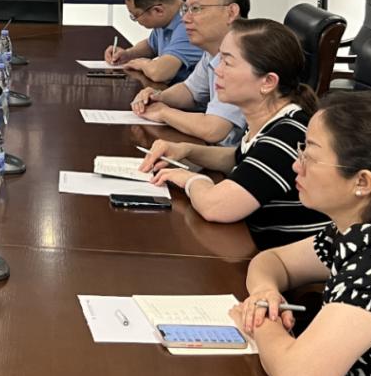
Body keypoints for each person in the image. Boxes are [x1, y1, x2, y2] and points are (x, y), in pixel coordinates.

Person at [230, 91, 371, 376]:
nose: (296, 165)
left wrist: (261, 321)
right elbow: (273, 261)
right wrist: (264, 293)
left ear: (363, 182)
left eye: (310, 156)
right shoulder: (358, 229)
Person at [140, 19, 328, 249]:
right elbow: (242, 158)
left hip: (285, 262)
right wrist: (186, 150)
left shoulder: (287, 136)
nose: (217, 70)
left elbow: (215, 207)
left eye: (227, 63)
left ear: (268, 82)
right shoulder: (272, 120)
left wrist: (188, 178)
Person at [131, 0, 249, 145]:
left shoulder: (244, 57)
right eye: (185, 10)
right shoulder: (213, 52)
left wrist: (163, 112)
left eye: (196, 9)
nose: (185, 18)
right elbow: (190, 91)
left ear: (231, 12)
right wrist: (158, 97)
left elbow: (213, 129)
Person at [103, 0, 203, 84]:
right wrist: (128, 54)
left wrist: (143, 64)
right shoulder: (167, 18)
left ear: (158, 10)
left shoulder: (189, 23)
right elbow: (151, 45)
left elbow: (160, 73)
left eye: (136, 15)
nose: (136, 20)